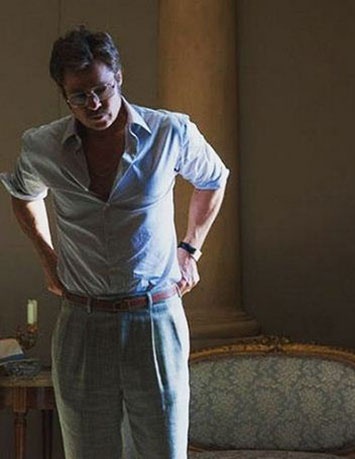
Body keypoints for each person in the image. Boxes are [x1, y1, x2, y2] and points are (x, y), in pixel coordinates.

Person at [0, 26, 229, 458]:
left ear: (119, 77)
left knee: (163, 450)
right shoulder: (42, 146)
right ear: (64, 94)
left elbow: (213, 180)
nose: (94, 103)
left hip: (155, 316)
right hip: (83, 320)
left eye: (101, 89)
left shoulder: (169, 131)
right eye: (79, 95)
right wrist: (49, 260)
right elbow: (23, 195)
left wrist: (190, 248)